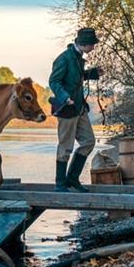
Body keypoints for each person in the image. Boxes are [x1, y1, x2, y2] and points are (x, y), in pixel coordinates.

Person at [49, 28, 103, 192]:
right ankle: (60, 184)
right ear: (85, 44)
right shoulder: (64, 58)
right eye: (93, 44)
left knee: (88, 142)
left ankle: (72, 179)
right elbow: (54, 81)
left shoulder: (78, 57)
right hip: (67, 108)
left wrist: (91, 73)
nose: (94, 47)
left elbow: (76, 76)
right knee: (65, 146)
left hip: (79, 108)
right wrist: (65, 97)